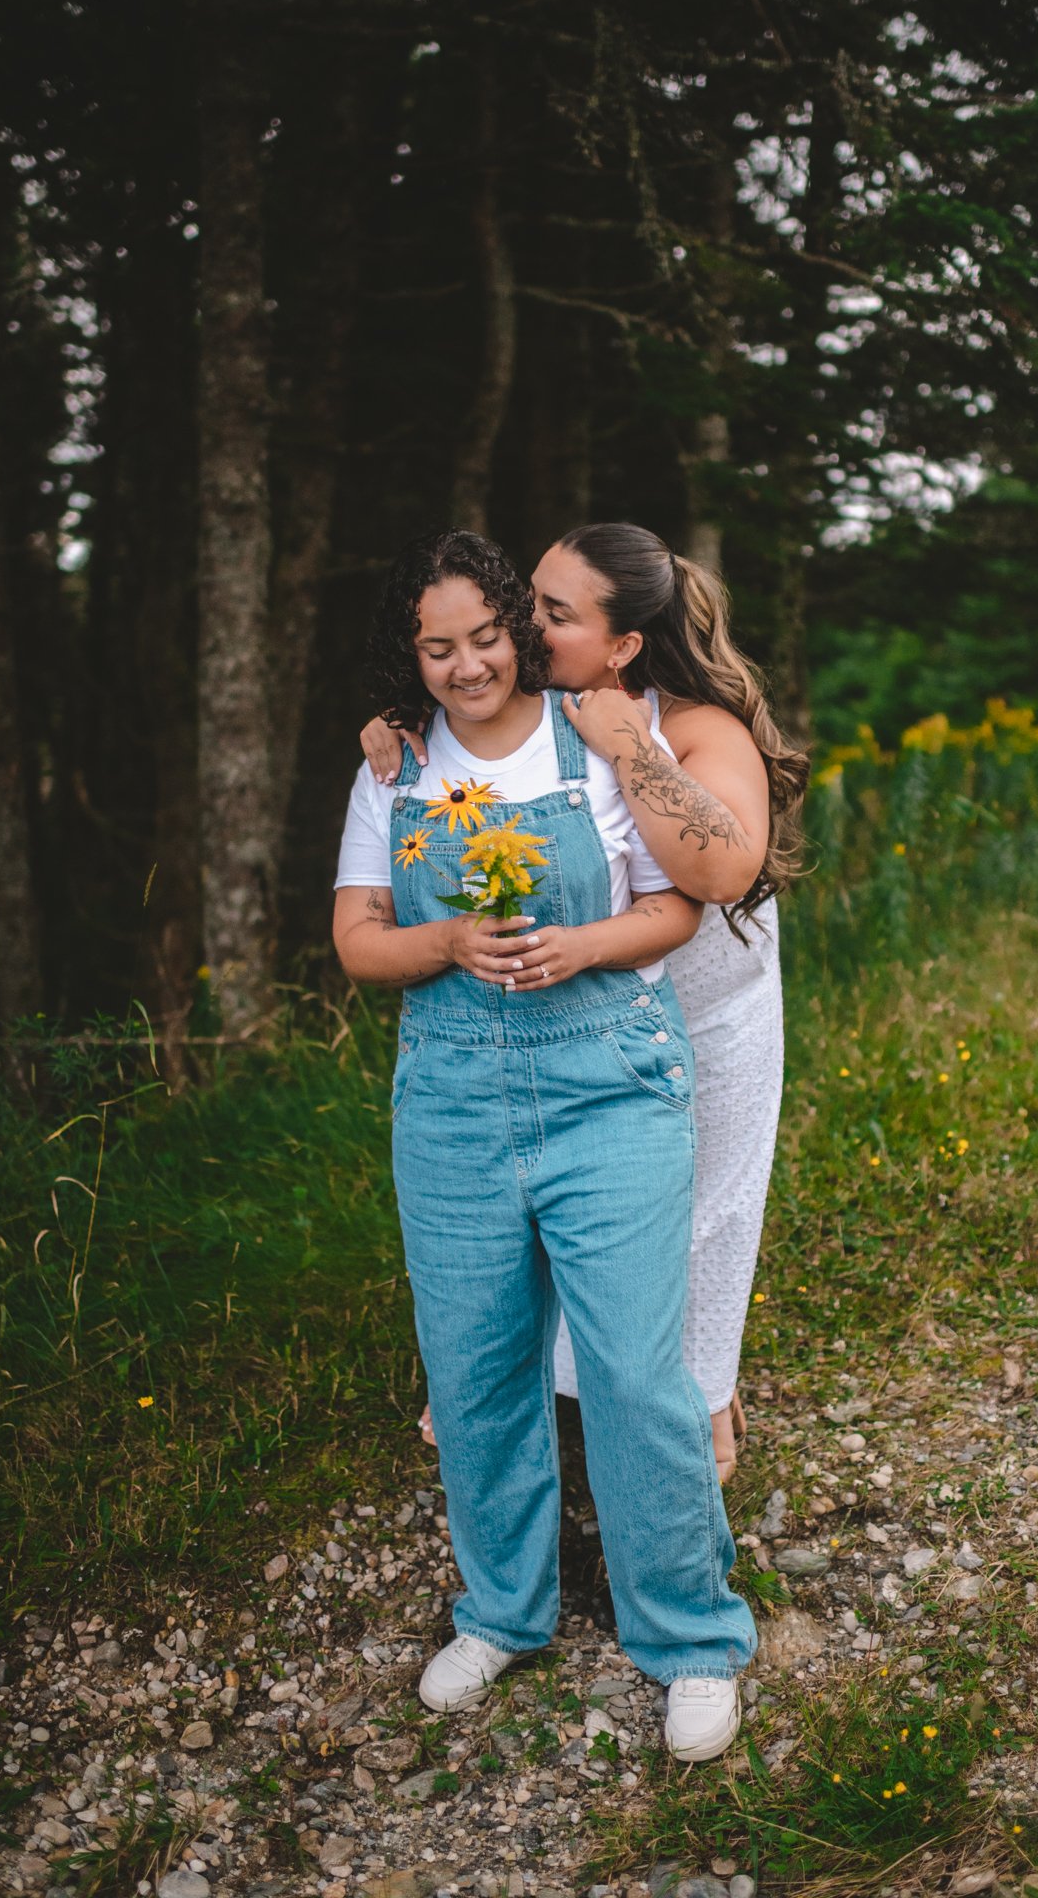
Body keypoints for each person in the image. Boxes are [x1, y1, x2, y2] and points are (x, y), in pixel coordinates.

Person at [334, 528, 756, 1761]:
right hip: (453, 1096)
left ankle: (689, 1635)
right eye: (436, 645)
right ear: (410, 656)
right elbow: (360, 936)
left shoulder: (604, 735)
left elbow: (681, 900)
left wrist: (581, 945)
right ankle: (501, 1612)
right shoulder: (391, 766)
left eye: (484, 635)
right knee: (473, 1362)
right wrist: (447, 945)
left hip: (610, 1079)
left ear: (519, 626)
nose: (466, 665)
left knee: (634, 1364)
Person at [361, 522, 809, 1480]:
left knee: (697, 1214)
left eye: (551, 614)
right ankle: (521, 1395)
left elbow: (725, 870)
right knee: (550, 1196)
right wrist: (397, 729)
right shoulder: (535, 705)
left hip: (706, 1005)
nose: (523, 622)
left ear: (623, 647)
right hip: (571, 1009)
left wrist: (629, 748)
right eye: (528, 596)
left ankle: (699, 1426)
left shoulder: (690, 725)